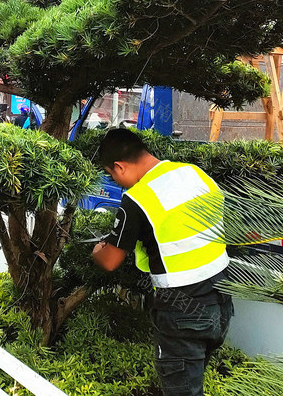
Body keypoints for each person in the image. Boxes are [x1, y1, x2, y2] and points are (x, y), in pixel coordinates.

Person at [91, 129, 233, 396]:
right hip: (221, 298)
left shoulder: (138, 199)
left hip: (182, 308)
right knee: (194, 379)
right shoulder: (193, 173)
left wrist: (98, 250)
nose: (116, 181)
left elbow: (110, 261)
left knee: (182, 389)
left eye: (112, 174)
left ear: (120, 166)